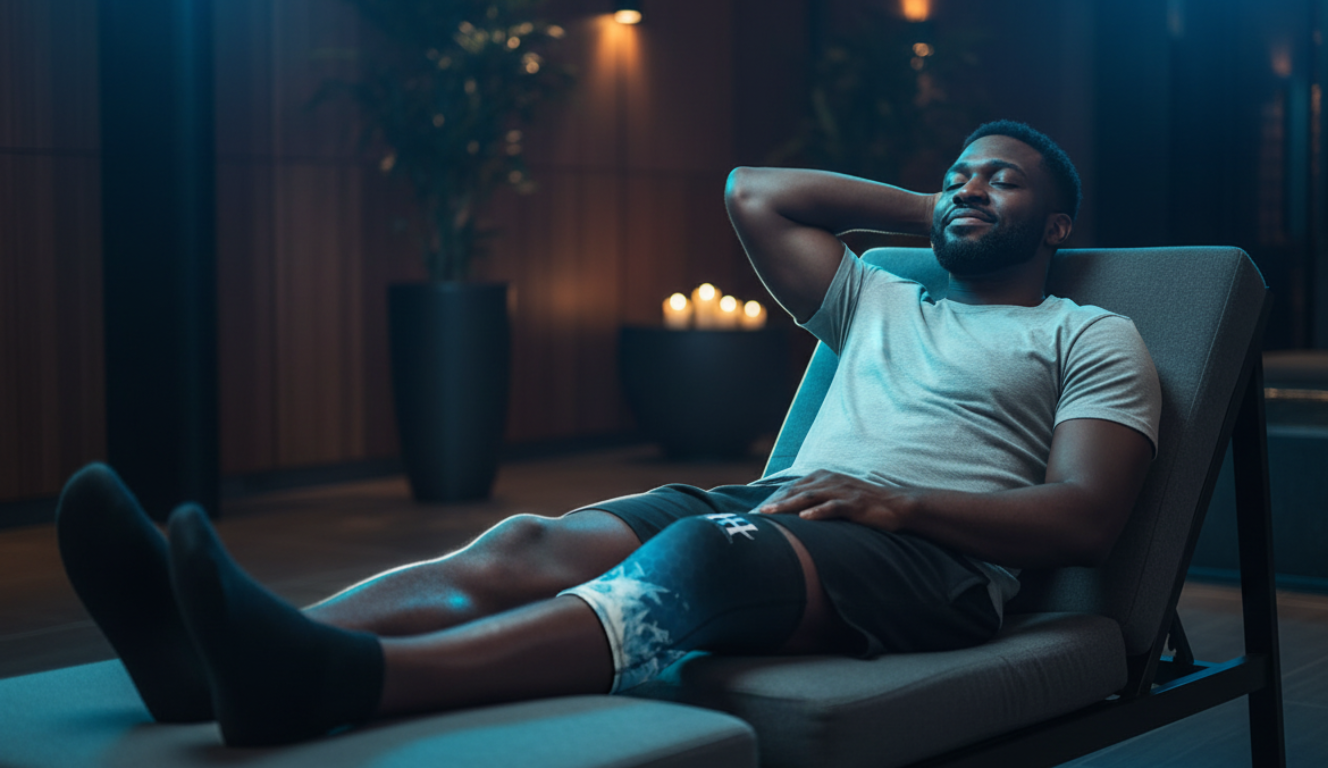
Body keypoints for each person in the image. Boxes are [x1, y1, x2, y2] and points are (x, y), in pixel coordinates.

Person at [55, 120, 1160, 747]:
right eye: (958, 173)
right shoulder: (881, 296)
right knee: (532, 540)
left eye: (1002, 182)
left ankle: (339, 682)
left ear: (1058, 224)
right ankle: (204, 665)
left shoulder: (1091, 335)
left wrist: (893, 501)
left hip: (931, 562)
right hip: (792, 510)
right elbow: (755, 190)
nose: (971, 187)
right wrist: (942, 210)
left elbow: (1087, 518)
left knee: (693, 563)